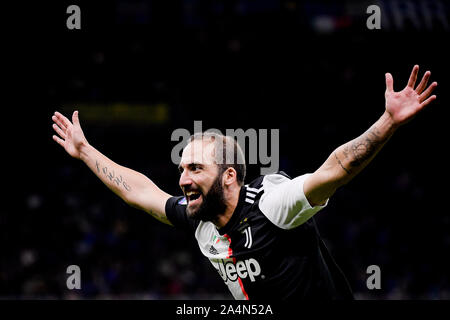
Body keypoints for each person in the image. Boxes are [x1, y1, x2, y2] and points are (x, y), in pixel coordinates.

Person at [52, 65, 437, 300]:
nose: (183, 179)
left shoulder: (273, 203)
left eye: (196, 169)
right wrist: (85, 151)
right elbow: (140, 192)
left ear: (230, 176)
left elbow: (335, 169)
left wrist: (388, 122)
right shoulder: (197, 219)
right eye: (182, 169)